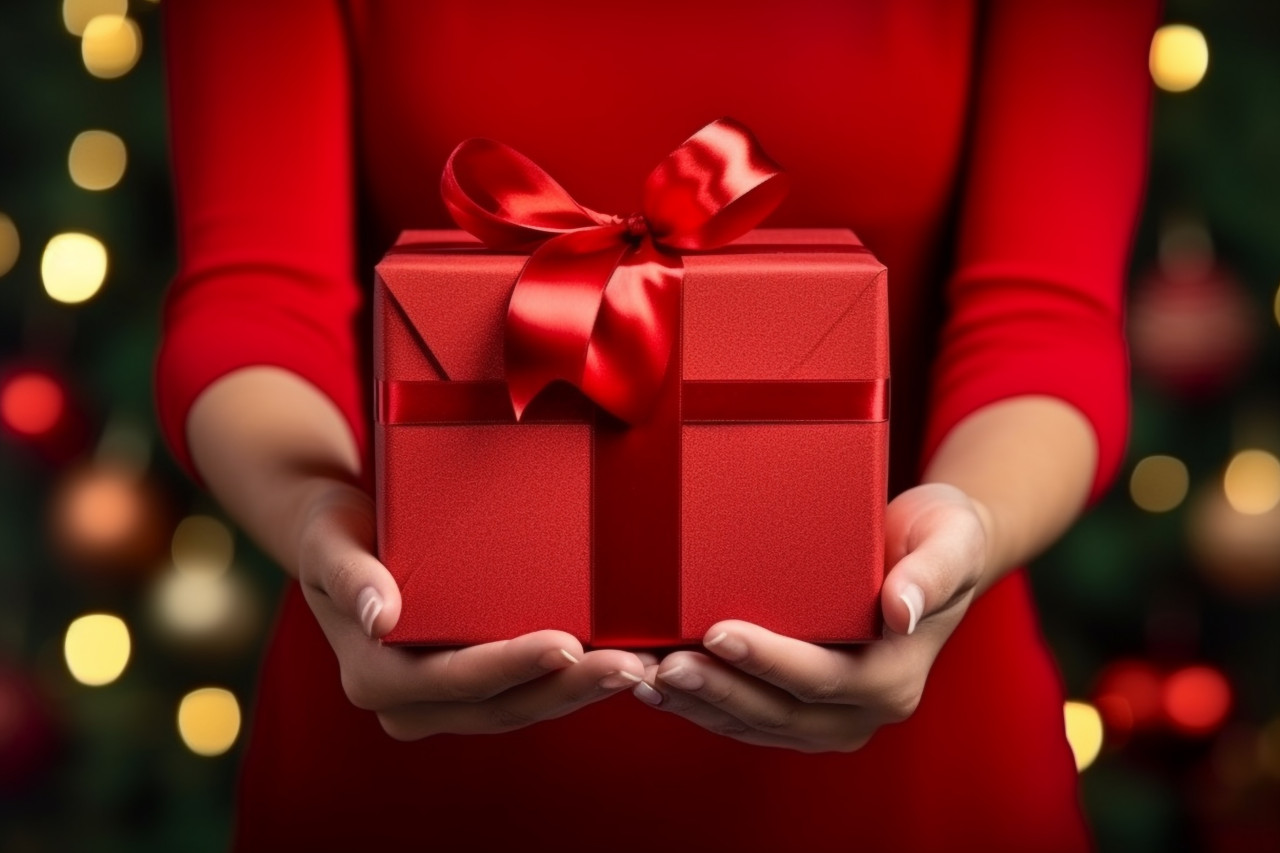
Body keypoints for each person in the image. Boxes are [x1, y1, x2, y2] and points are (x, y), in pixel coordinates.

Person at [156, 2, 1157, 850]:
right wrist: (313, 517)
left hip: (917, 765)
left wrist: (965, 529)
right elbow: (256, 296)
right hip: (403, 736)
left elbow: (1042, 321)